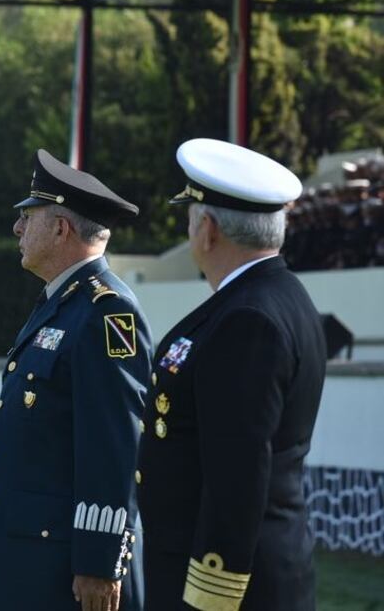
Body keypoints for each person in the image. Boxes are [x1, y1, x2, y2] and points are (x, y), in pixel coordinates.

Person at [137, 138, 327, 611]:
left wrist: (209, 594)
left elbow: (237, 474)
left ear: (207, 230)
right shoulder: (275, 298)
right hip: (250, 570)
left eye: (190, 217)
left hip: (226, 582)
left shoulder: (248, 319)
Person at [0, 149, 153, 611]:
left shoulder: (106, 311)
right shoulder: (61, 303)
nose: (17, 229)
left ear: (60, 228)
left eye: (27, 217)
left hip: (63, 571)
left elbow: (114, 444)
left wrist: (98, 560)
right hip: (27, 559)